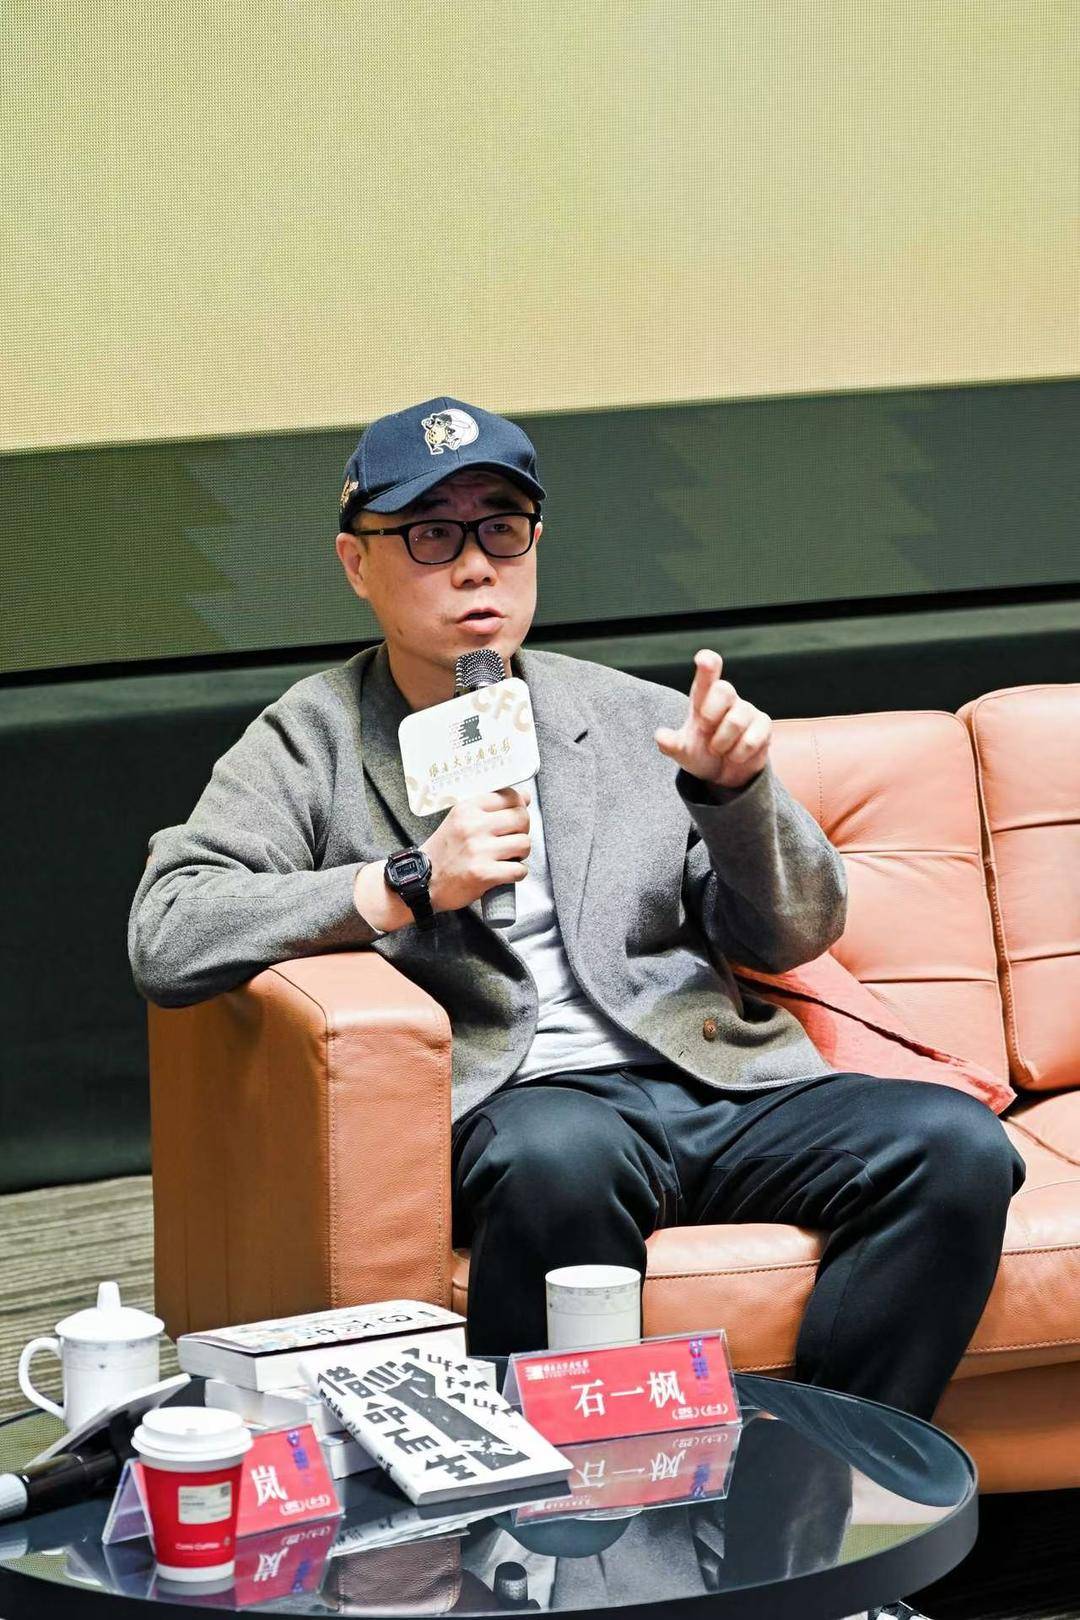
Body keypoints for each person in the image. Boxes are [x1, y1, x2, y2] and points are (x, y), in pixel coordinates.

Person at [128, 395, 1025, 1424]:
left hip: (708, 1080)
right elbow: (171, 927)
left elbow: (796, 934)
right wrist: (408, 881)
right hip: (525, 1105)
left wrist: (738, 799)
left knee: (955, 1146)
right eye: (431, 535)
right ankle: (556, 1511)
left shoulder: (634, 715)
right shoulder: (313, 738)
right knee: (562, 1159)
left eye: (501, 530)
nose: (476, 567)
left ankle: (831, 1474)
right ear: (356, 563)